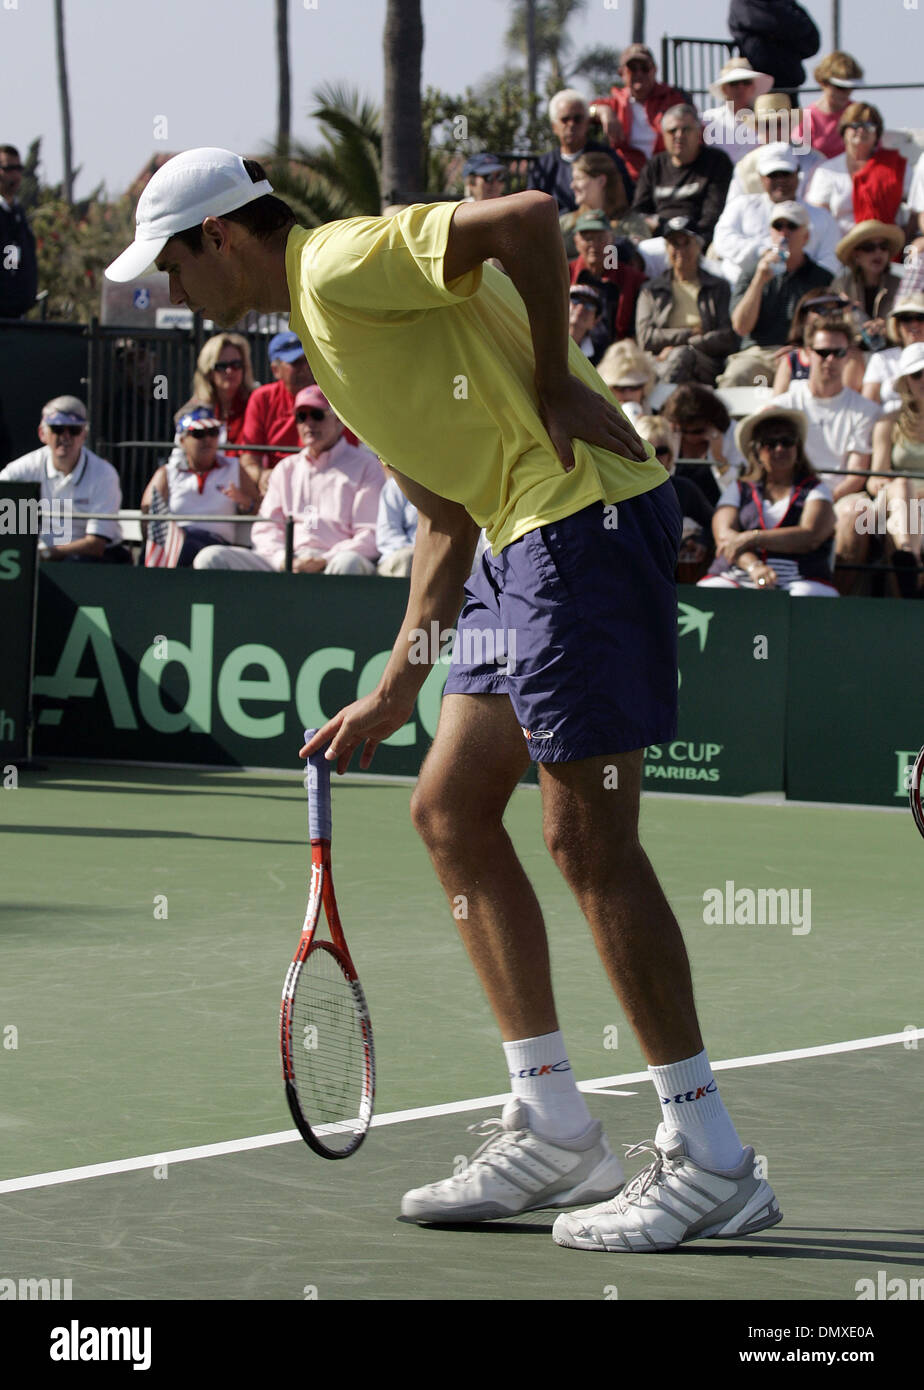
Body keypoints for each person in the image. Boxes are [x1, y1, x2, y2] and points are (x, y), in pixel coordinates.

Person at [107, 146, 783, 1253]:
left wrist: (560, 377)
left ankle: (710, 1152)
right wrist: (393, 686)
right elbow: (444, 521)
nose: (174, 296)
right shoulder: (329, 332)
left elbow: (523, 217)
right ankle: (557, 1123)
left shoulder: (331, 264)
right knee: (452, 810)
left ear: (221, 234)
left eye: (175, 270)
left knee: (585, 840)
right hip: (517, 541)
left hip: (583, 520)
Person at [194, 386, 382, 574]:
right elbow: (266, 529)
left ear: (339, 420)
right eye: (301, 417)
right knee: (211, 557)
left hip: (335, 564)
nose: (308, 423)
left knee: (347, 562)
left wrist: (324, 559)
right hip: (286, 563)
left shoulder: (366, 466)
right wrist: (284, 560)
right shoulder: (286, 469)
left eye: (317, 415)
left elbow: (370, 534)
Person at [772, 319, 881, 586]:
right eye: (822, 352)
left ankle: (836, 604)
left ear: (848, 357)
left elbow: (855, 476)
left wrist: (819, 504)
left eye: (839, 352)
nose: (830, 359)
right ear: (807, 354)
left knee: (859, 512)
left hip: (840, 498)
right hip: (789, 493)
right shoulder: (782, 407)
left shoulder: (865, 409)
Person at [697, 406, 837, 595]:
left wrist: (752, 537)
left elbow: (810, 536)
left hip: (800, 576)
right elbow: (724, 536)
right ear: (756, 452)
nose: (780, 449)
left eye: (787, 442)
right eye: (770, 443)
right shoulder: (739, 488)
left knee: (806, 595)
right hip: (739, 571)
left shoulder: (816, 489)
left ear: (798, 448)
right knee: (711, 590)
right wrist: (754, 566)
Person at [0, 395, 129, 562]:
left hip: (92, 561)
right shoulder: (22, 469)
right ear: (42, 433)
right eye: (57, 429)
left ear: (84, 434)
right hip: (38, 558)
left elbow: (95, 545)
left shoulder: (104, 474)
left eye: (74, 430)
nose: (66, 437)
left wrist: (43, 554)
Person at [720, 202, 833, 387]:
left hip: (803, 354)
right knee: (737, 376)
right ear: (771, 233)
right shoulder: (751, 272)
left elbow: (826, 329)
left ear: (806, 237)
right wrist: (759, 280)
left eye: (792, 226)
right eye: (778, 226)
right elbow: (741, 327)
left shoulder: (821, 279)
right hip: (758, 356)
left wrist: (801, 349)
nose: (784, 233)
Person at [140, 407, 258, 567]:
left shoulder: (234, 468)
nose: (207, 439)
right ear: (182, 441)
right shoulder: (167, 473)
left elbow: (260, 507)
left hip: (215, 544)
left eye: (213, 432)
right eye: (198, 434)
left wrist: (245, 502)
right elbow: (148, 514)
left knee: (186, 550)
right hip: (176, 541)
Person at [712, 144, 841, 284]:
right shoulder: (741, 206)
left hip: (801, 296)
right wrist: (762, 252)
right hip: (743, 289)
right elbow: (723, 239)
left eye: (785, 173)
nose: (780, 180)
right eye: (773, 175)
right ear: (761, 177)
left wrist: (801, 278)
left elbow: (830, 260)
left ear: (797, 173)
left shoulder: (822, 217)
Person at [631, 105, 733, 276]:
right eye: (672, 131)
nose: (679, 135)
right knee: (630, 257)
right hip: (661, 243)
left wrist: (670, 229)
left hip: (700, 244)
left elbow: (712, 215)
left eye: (686, 129)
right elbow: (639, 213)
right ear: (663, 135)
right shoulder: (654, 166)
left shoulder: (716, 162)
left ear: (699, 132)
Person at [635, 216, 738, 384]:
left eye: (687, 243)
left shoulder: (718, 287)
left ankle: (656, 405)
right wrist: (689, 333)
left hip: (706, 361)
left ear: (698, 246)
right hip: (659, 361)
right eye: (675, 243)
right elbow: (646, 337)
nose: (681, 250)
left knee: (682, 354)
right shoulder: (651, 290)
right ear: (666, 248)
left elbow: (727, 337)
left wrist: (689, 345)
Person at [867, 341, 924, 593]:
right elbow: (874, 477)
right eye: (917, 374)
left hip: (906, 512)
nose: (923, 380)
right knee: (902, 486)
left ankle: (908, 565)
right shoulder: (887, 421)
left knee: (897, 525)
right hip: (895, 499)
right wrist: (902, 489)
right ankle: (909, 558)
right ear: (905, 382)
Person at [588, 44, 688, 182]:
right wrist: (602, 111)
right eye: (632, 69)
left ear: (654, 70)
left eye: (645, 68)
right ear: (621, 73)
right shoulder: (615, 103)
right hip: (629, 179)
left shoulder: (672, 98)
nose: (639, 74)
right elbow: (582, 110)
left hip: (668, 175)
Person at [806, 104, 909, 235]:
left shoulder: (895, 166)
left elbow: (918, 204)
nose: (861, 130)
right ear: (844, 131)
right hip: (839, 247)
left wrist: (907, 236)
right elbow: (817, 216)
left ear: (877, 134)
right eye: (854, 125)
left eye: (869, 126)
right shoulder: (827, 170)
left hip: (884, 247)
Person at [528, 90, 632, 214]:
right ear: (554, 127)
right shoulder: (543, 166)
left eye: (577, 119)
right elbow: (533, 209)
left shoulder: (606, 158)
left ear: (587, 122)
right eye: (565, 119)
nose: (571, 124)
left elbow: (625, 198)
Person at [634, 414, 714, 570]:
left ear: (670, 454)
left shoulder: (682, 488)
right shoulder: (618, 490)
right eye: (647, 450)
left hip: (668, 574)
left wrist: (702, 542)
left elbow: (714, 521)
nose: (654, 458)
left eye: (661, 451)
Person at [238, 330, 314, 492]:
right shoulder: (263, 398)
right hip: (278, 487)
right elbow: (249, 460)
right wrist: (263, 476)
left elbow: (348, 454)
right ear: (275, 370)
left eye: (309, 359)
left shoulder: (331, 395)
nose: (305, 367)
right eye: (296, 362)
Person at [568, 211, 647, 343]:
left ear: (612, 240)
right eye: (587, 238)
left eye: (600, 238)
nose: (594, 244)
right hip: (572, 348)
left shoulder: (632, 279)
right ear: (576, 242)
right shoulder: (565, 274)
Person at [830, 221, 905, 355]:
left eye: (883, 247)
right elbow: (830, 326)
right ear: (856, 255)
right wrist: (848, 315)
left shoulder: (899, 285)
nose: (878, 252)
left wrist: (888, 328)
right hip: (851, 354)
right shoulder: (841, 285)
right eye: (869, 247)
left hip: (892, 353)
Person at [661, 383, 743, 505]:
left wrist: (718, 457)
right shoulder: (668, 432)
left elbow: (737, 486)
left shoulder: (733, 434)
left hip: (717, 509)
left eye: (697, 431)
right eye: (684, 431)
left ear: (713, 421)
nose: (690, 437)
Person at [728, 95, 822, 199]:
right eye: (767, 125)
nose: (775, 131)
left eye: (780, 124)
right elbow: (734, 207)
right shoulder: (744, 167)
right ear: (757, 128)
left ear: (791, 124)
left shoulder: (815, 161)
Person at [175, 333, 257, 452]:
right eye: (221, 366)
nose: (230, 371)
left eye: (236, 365)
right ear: (208, 372)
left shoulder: (258, 404)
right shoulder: (194, 411)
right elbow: (180, 456)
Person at [559, 151, 648, 260]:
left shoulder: (632, 224)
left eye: (579, 178)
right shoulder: (564, 224)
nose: (572, 185)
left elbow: (643, 262)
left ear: (601, 181)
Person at [771, 287, 861, 393]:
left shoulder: (850, 354)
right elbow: (778, 402)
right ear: (804, 316)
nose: (829, 315)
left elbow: (844, 398)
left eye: (835, 310)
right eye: (821, 310)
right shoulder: (791, 359)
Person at [727, 0, 821, 95]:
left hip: (789, 89)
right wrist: (790, 34)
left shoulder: (787, 3)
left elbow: (812, 39)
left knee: (792, 110)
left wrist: (778, 34)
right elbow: (769, 22)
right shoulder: (743, 3)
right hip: (756, 91)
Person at [700, 57, 773, 165]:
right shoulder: (707, 119)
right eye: (734, 83)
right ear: (724, 89)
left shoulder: (767, 121)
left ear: (753, 87)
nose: (740, 87)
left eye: (746, 82)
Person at [792, 52, 864, 160]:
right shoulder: (806, 117)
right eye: (840, 87)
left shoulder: (860, 114)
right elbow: (801, 160)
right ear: (823, 82)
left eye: (852, 87)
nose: (847, 92)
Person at [862, 293, 924, 412]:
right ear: (897, 324)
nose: (914, 324)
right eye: (906, 318)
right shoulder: (881, 359)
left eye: (921, 317)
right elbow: (867, 407)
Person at [0, 144, 38, 319]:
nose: (14, 175)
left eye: (18, 168)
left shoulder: (17, 214)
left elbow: (16, 258)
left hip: (16, 314)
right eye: (8, 168)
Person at [595, 340, 657, 422]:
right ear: (608, 388)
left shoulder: (653, 415)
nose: (628, 394)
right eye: (620, 387)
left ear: (644, 388)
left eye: (635, 387)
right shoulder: (595, 414)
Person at [377, 467, 418, 577]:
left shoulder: (457, 484)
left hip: (447, 555)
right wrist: (422, 553)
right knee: (407, 558)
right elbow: (387, 536)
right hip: (405, 555)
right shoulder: (396, 484)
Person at [568, 282, 608, 364]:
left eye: (590, 305)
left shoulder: (602, 359)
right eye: (575, 300)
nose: (581, 307)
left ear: (595, 321)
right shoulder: (542, 341)